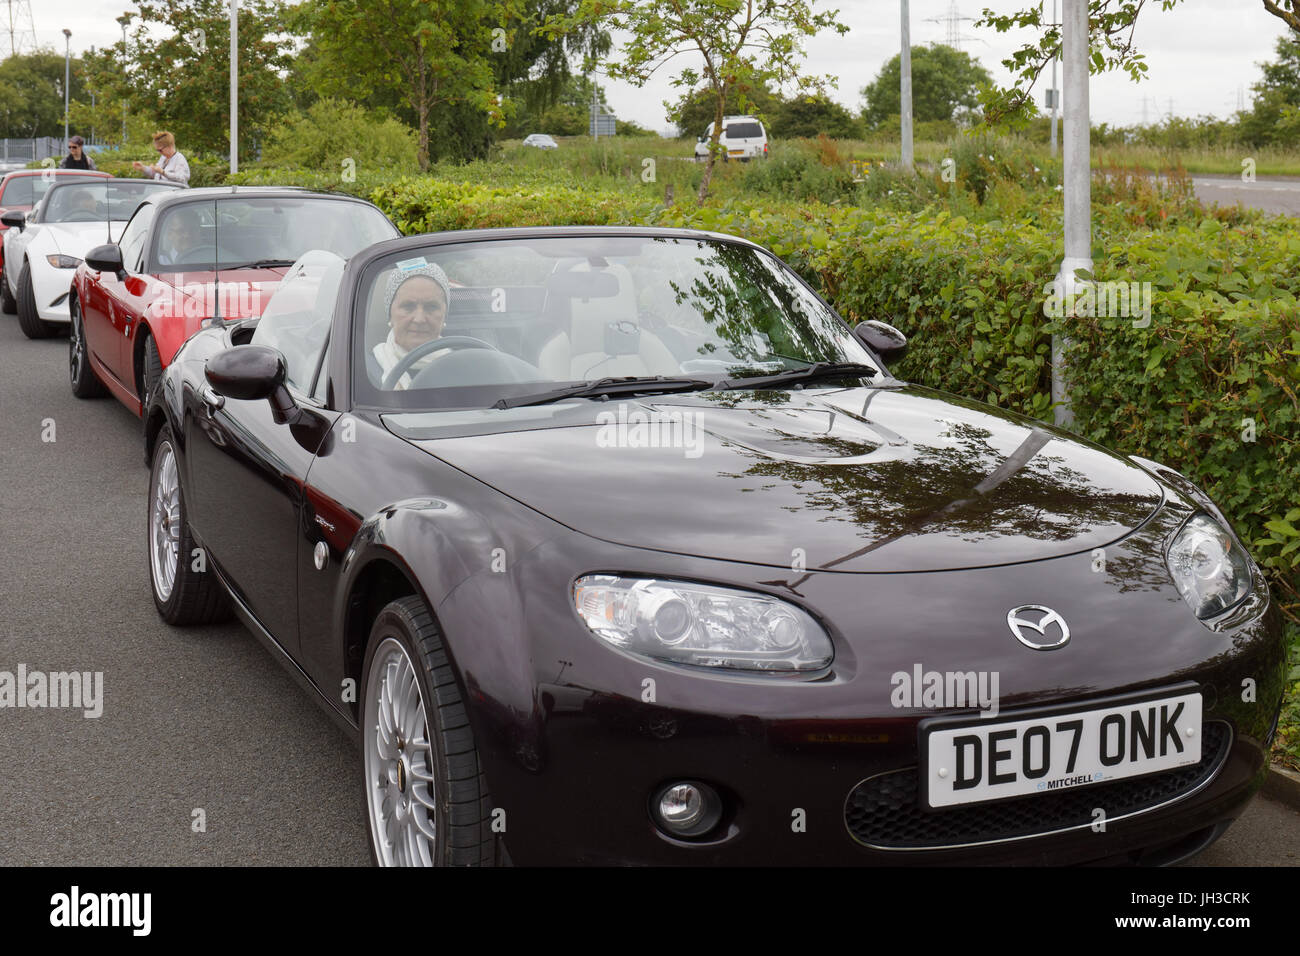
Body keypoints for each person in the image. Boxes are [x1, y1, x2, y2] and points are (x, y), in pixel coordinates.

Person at [371, 263, 451, 389]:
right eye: (408, 306)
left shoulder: (463, 367)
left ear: (444, 315)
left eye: (431, 307)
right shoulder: (364, 373)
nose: (419, 319)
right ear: (390, 315)